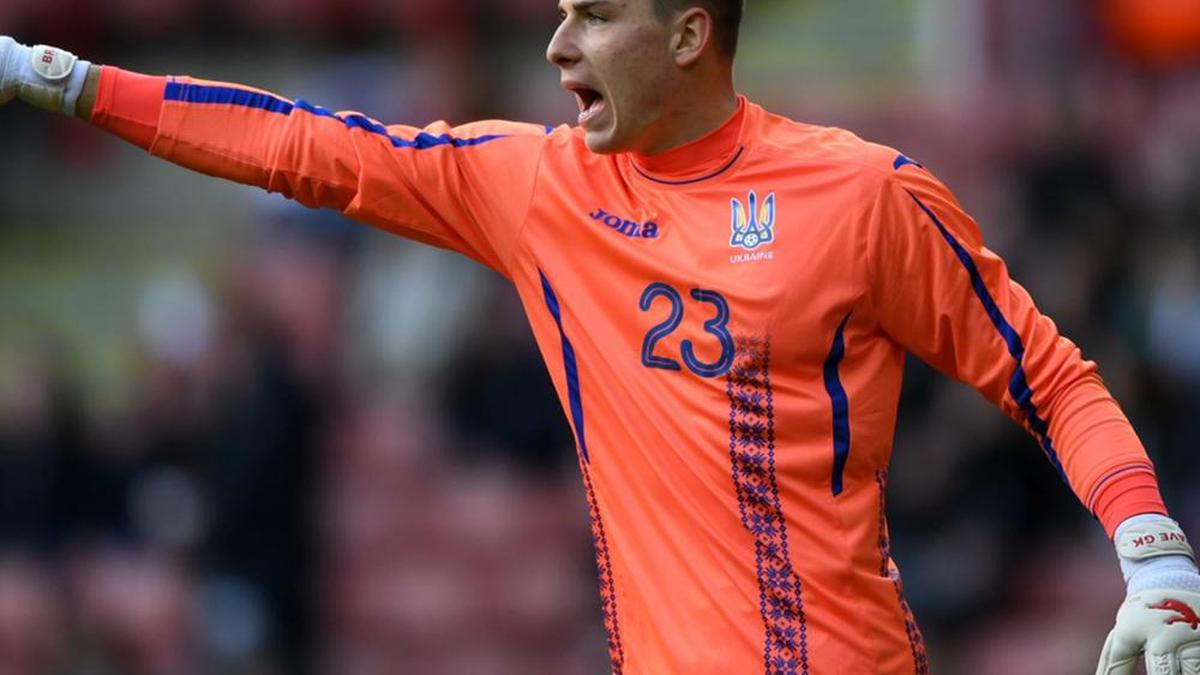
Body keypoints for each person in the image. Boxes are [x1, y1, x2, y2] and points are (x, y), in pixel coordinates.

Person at [1, 1, 1198, 673]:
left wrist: (1154, 559)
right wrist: (71, 83)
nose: (557, 45)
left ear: (688, 35)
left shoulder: (863, 197)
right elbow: (307, 147)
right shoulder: (540, 189)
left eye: (595, 15)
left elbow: (1049, 373)